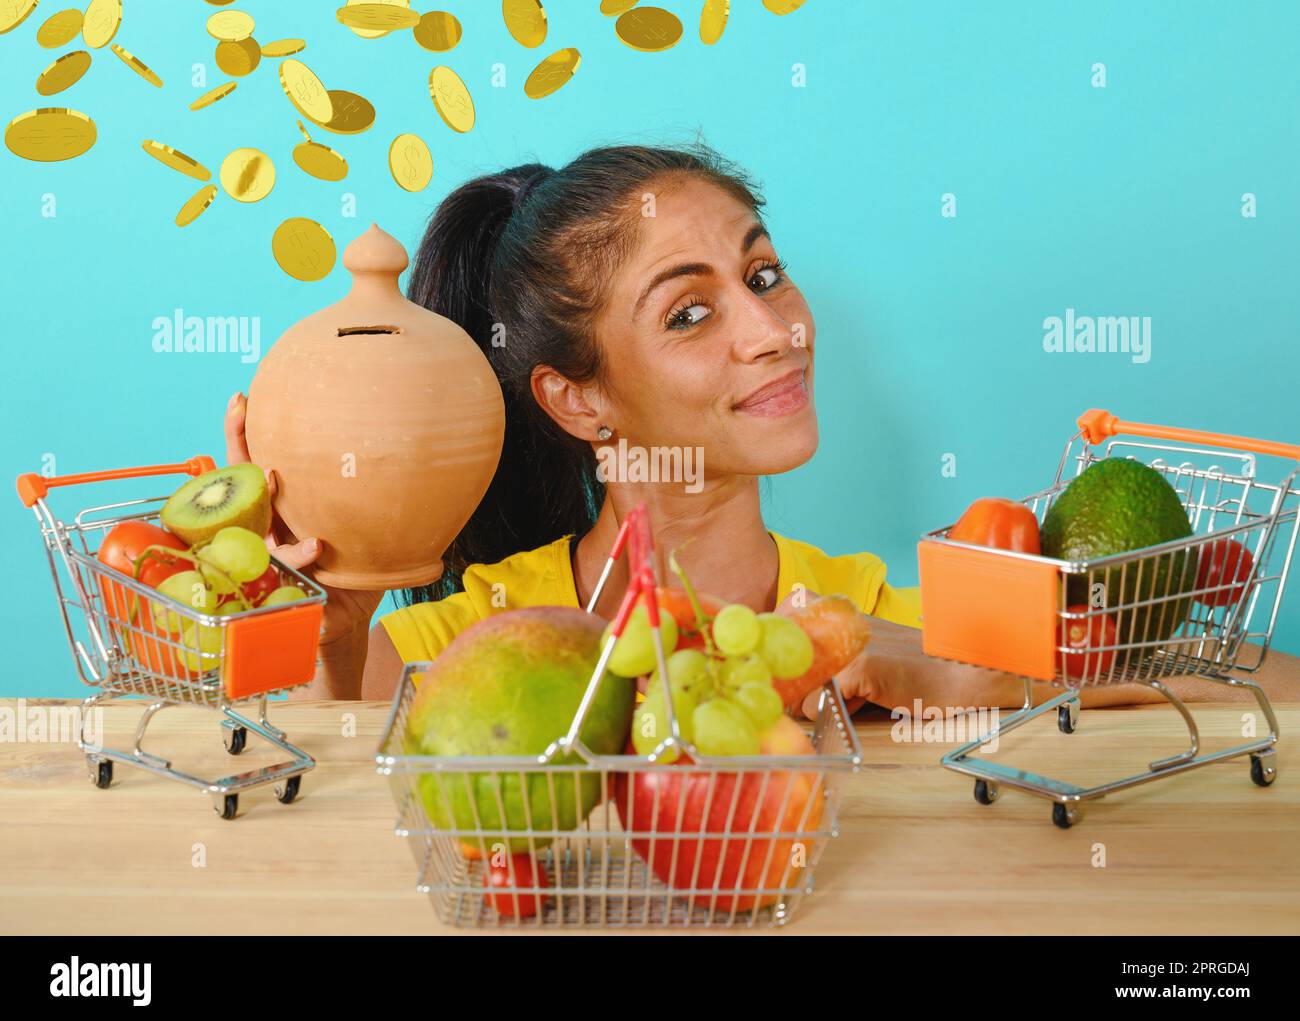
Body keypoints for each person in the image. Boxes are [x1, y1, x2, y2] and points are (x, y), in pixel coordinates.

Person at [224, 141, 1281, 712]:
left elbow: (1224, 684)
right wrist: (335, 610)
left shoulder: (867, 611)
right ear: (576, 401)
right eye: (690, 312)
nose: (774, 330)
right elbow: (340, 776)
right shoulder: (466, 635)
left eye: (763, 275)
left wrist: (973, 671)